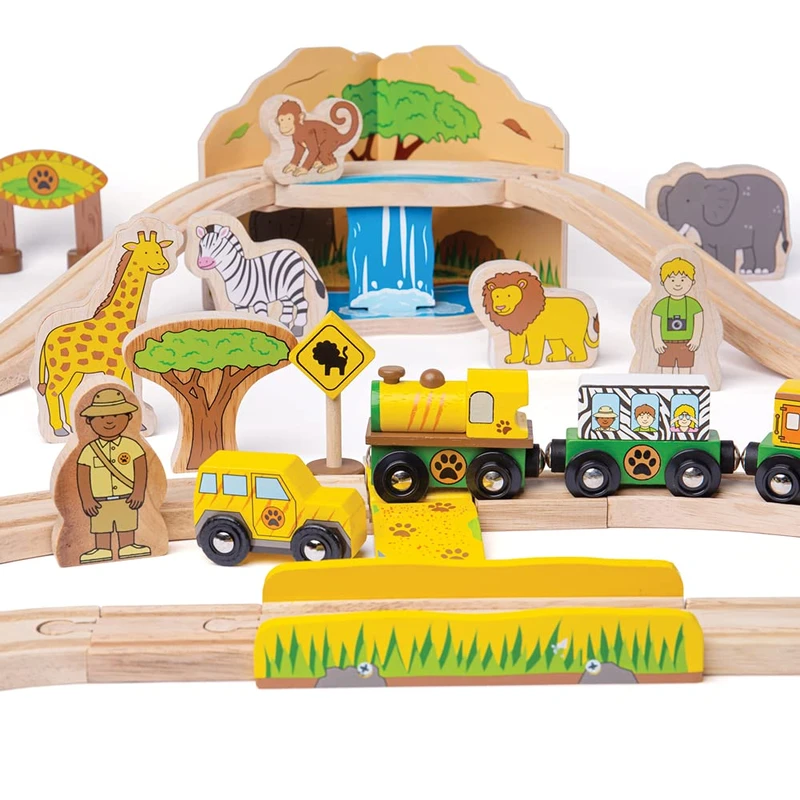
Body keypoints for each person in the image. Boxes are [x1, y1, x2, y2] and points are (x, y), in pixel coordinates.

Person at [76, 388, 150, 564]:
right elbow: (82, 476)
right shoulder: (89, 450)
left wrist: (138, 492)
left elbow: (141, 469)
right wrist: (87, 500)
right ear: (89, 421)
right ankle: (102, 549)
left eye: (116, 415)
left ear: (129, 417)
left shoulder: (132, 446)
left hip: (126, 498)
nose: (109, 420)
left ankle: (128, 546)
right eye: (101, 416)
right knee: (101, 526)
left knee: (127, 524)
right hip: (100, 502)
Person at [651, 257, 704, 374]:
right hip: (666, 344)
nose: (678, 284)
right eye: (672, 280)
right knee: (666, 369)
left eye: (683, 279)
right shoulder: (662, 304)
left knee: (685, 369)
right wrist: (657, 341)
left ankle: (685, 385)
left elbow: (699, 320)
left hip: (687, 344)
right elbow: (655, 322)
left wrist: (696, 338)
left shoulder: (693, 304)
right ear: (662, 282)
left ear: (692, 282)